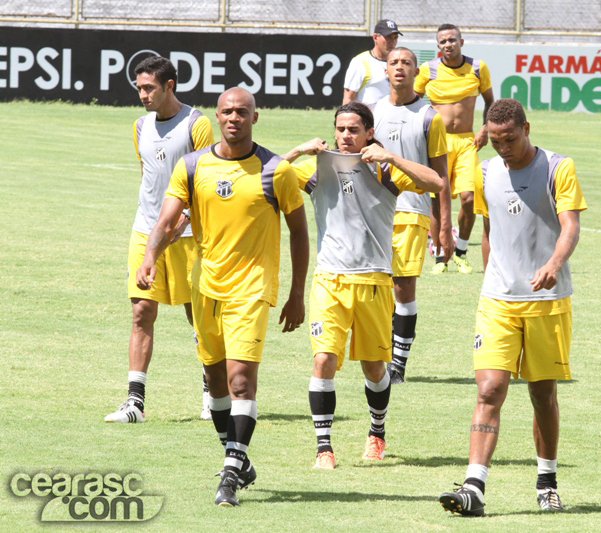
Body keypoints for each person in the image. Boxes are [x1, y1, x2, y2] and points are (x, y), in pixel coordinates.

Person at [136, 87, 309, 507]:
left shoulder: (276, 171)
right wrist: (150, 256)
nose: (234, 118)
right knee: (215, 383)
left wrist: (297, 294)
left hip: (252, 290)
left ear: (255, 117)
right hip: (205, 287)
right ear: (217, 116)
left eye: (242, 112)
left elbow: (300, 233)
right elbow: (167, 219)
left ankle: (230, 476)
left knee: (240, 381)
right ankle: (238, 458)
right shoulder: (193, 165)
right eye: (228, 111)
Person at [438, 99, 587, 516]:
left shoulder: (558, 168)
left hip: (546, 302)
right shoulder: (485, 172)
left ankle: (547, 482)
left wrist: (554, 264)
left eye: (510, 139)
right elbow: (489, 231)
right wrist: (491, 280)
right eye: (496, 141)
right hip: (498, 302)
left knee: (542, 394)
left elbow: (571, 225)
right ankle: (474, 488)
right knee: (489, 389)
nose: (503, 148)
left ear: (526, 128)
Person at [282, 102, 442, 470]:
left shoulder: (385, 168)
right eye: (341, 129)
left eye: (354, 130)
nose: (345, 136)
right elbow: (266, 174)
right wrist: (299, 150)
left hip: (374, 281)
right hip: (329, 280)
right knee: (323, 359)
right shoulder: (319, 166)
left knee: (373, 368)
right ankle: (324, 448)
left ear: (369, 133)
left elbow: (435, 182)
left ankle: (377, 433)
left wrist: (393, 157)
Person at [105, 56, 215, 424]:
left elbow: (204, 181)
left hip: (187, 235)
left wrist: (184, 221)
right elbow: (148, 176)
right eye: (139, 88)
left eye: (149, 87)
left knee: (197, 316)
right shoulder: (140, 126)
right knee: (141, 312)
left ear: (169, 85)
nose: (142, 94)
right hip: (145, 230)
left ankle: (212, 394)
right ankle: (135, 403)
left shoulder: (197, 124)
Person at [372, 47, 452, 384]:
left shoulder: (429, 117)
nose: (400, 67)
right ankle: (383, 351)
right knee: (376, 286)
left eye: (406, 62)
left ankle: (398, 365)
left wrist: (443, 226)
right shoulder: (372, 111)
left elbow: (440, 177)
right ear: (386, 71)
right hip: (374, 211)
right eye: (394, 62)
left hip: (411, 210)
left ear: (416, 72)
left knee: (403, 286)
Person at [414, 23, 494, 275]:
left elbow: (490, 102)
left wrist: (485, 129)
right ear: (438, 45)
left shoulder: (478, 68)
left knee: (469, 199)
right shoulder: (428, 70)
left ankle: (461, 252)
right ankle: (440, 257)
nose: (447, 44)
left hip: (467, 142)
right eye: (443, 41)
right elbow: (412, 102)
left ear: (461, 42)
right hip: (438, 143)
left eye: (452, 40)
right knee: (438, 200)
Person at [342, 19, 402, 108]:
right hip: (367, 116)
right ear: (375, 37)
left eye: (395, 37)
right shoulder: (360, 62)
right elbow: (348, 99)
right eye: (388, 37)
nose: (392, 42)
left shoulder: (400, 62)